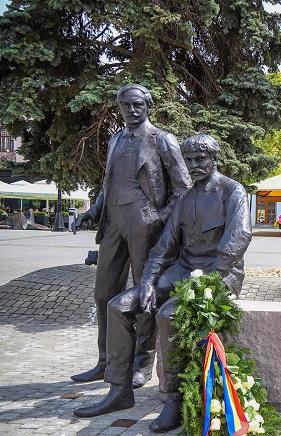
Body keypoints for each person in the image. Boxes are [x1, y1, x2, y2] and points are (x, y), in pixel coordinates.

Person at [73, 133, 251, 432]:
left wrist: (207, 281)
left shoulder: (231, 191)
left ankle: (173, 400)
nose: (194, 165)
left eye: (200, 159)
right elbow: (164, 246)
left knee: (168, 315)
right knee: (119, 306)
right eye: (189, 160)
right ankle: (119, 390)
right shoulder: (186, 199)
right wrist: (147, 282)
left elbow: (239, 237)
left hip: (220, 274)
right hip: (183, 269)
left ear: (214, 159)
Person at [72, 84, 191, 388]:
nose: (132, 110)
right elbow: (108, 183)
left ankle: (142, 361)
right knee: (103, 294)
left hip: (145, 225)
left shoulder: (162, 140)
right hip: (112, 224)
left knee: (143, 295)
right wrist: (94, 210)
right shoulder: (115, 140)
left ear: (148, 105)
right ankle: (107, 362)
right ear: (119, 107)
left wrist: (158, 218)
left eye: (138, 104)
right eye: (126, 105)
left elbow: (183, 189)